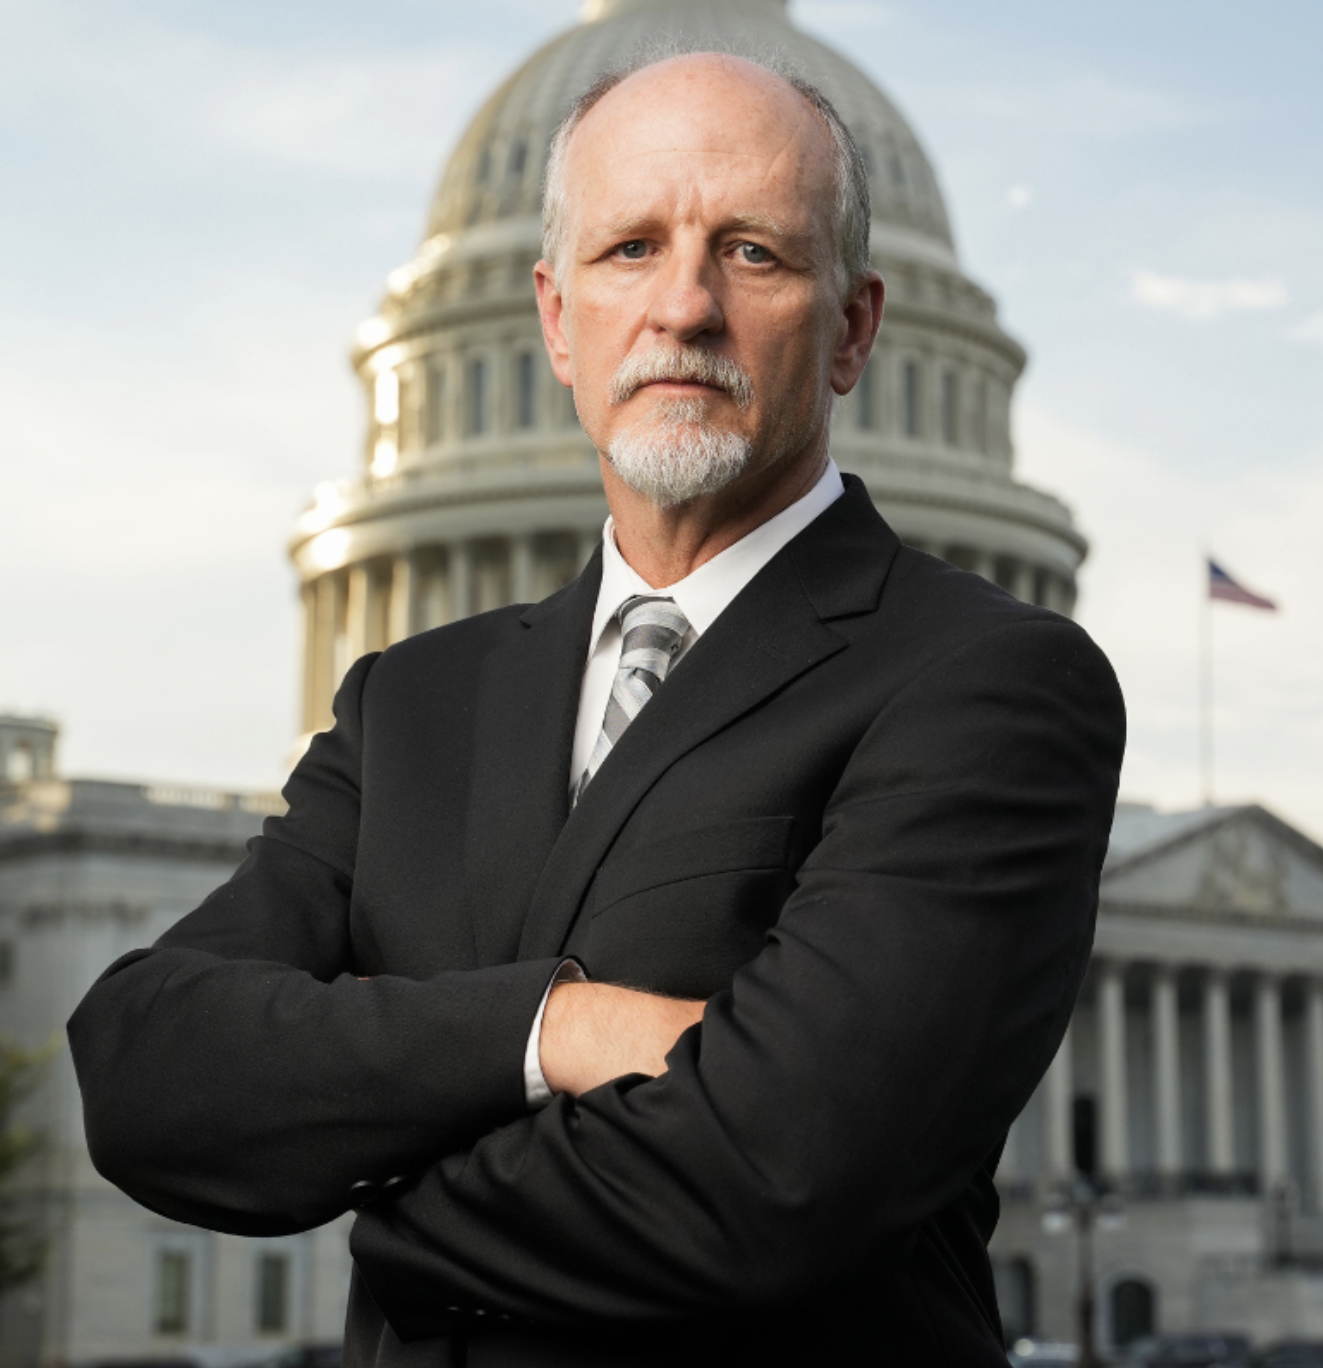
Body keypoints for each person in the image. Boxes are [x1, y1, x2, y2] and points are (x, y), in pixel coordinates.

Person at [70, 52, 1125, 1368]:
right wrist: (552, 1027)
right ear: (556, 322)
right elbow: (142, 1067)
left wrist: (374, 1190)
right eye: (630, 249)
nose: (682, 306)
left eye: (749, 253)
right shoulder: (414, 703)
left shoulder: (986, 683)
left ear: (854, 330)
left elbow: (773, 1186)